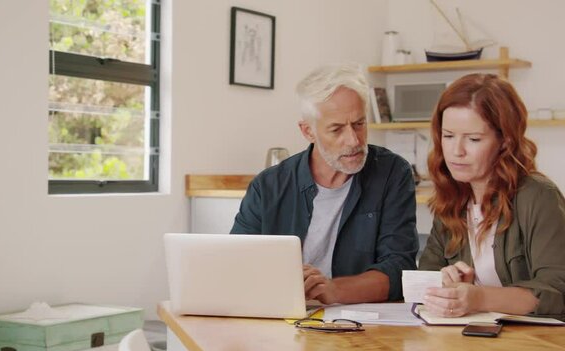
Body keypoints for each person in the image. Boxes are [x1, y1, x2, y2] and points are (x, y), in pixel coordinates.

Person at [231, 64, 419, 304]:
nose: (353, 140)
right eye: (336, 129)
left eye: (359, 124)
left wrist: (332, 290)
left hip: (359, 325)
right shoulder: (268, 186)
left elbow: (399, 269)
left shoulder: (392, 173)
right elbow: (237, 264)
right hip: (283, 317)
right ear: (308, 131)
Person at [419, 73, 565, 320]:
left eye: (473, 139)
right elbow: (426, 276)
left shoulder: (539, 197)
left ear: (505, 141)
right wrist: (446, 281)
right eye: (448, 136)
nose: (457, 151)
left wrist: (479, 297)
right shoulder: (451, 197)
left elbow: (557, 292)